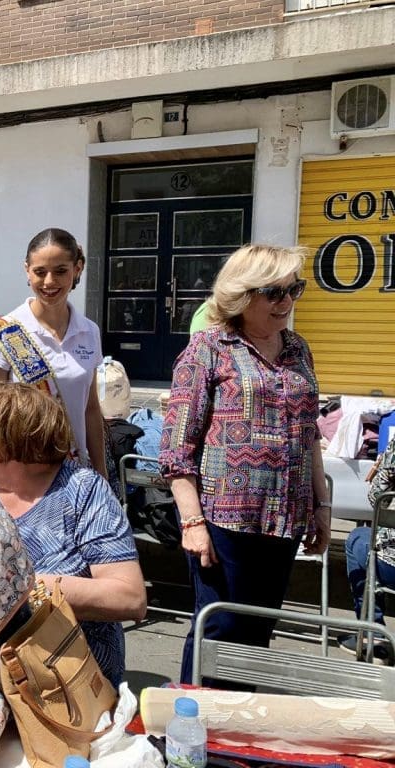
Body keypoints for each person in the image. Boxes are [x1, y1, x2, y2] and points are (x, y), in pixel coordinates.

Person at [158, 244, 330, 685]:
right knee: (219, 628)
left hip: (286, 518)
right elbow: (177, 447)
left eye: (294, 289)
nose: (286, 302)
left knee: (257, 634)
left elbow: (309, 434)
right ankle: (195, 720)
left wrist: (322, 506)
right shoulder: (208, 348)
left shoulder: (298, 349)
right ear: (241, 293)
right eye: (273, 292)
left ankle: (240, 720)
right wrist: (192, 522)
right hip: (225, 522)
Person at [0, 382, 146, 686]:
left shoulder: (81, 491)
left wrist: (15, 586)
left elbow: (129, 597)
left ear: (12, 435)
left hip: (67, 682)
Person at [0, 228, 106, 477]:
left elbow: (90, 408)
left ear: (77, 269)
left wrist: (101, 472)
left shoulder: (89, 331)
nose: (49, 282)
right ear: (27, 270)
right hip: (23, 471)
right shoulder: (4, 332)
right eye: (40, 272)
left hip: (74, 471)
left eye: (60, 271)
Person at [342, 438, 395, 657]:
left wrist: (383, 469)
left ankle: (373, 635)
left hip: (390, 566)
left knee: (358, 538)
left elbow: (377, 499)